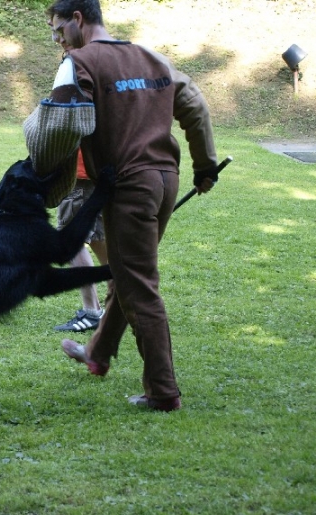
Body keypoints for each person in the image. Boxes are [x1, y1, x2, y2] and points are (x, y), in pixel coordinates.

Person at [46, 0, 218, 411]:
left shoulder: (79, 63)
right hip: (165, 182)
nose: (58, 41)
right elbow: (195, 106)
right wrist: (205, 166)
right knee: (127, 272)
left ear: (78, 20)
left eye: (58, 31)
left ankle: (163, 392)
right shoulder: (153, 58)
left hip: (128, 186)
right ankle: (98, 353)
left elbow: (60, 126)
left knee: (138, 284)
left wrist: (46, 181)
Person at [53, 148, 109, 332]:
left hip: (78, 174)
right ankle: (125, 300)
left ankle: (91, 312)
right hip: (102, 171)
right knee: (98, 237)